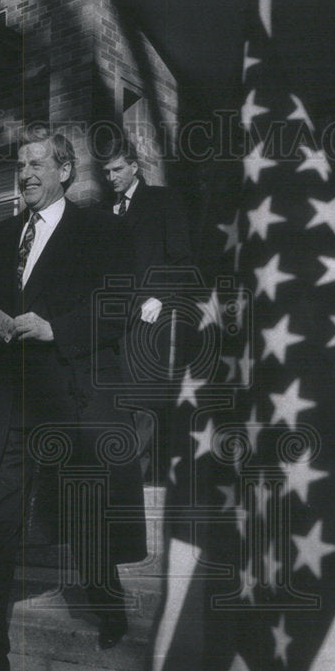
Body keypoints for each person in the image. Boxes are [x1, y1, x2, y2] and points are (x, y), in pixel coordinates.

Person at [0, 126, 147, 671]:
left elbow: (119, 303)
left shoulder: (101, 230)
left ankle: (108, 607)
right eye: (20, 164)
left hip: (71, 400)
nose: (25, 172)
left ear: (64, 171)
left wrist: (57, 328)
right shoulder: (2, 236)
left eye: (36, 163)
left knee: (87, 514)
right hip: (10, 402)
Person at [101, 137, 192, 482]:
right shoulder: (102, 212)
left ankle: (138, 481)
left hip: (150, 313)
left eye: (118, 169)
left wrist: (160, 296)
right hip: (110, 319)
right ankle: (122, 476)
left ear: (135, 167)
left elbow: (181, 258)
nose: (111, 177)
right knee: (114, 398)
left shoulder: (162, 201)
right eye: (106, 171)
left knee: (143, 398)